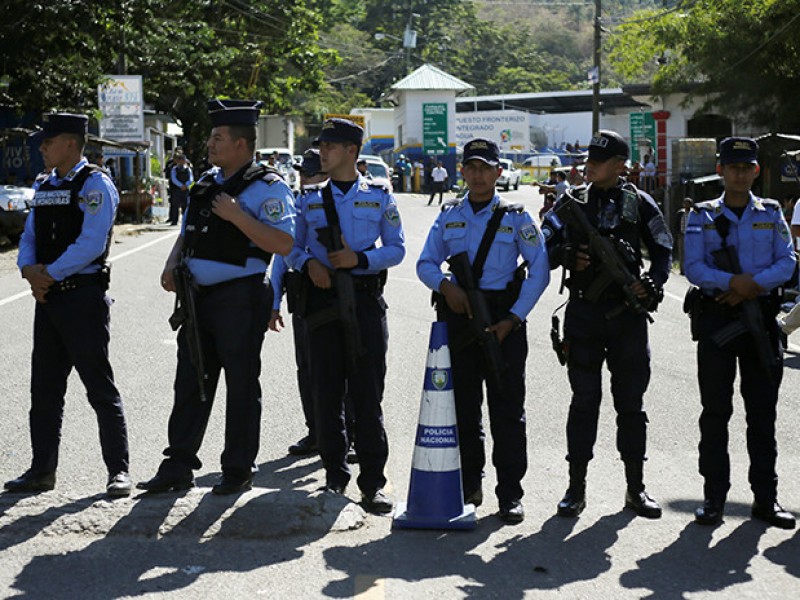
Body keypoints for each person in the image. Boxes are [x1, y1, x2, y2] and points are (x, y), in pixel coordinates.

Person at [137, 99, 295, 495]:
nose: (210, 143)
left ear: (241, 144)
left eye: (218, 137)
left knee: (241, 384)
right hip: (197, 298)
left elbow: (284, 242)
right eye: (211, 136)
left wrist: (238, 216)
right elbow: (187, 231)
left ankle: (238, 467)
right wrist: (172, 263)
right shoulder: (206, 181)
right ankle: (178, 465)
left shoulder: (268, 186)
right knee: (190, 381)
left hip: (240, 298)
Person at [417, 138, 550, 523]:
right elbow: (426, 262)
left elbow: (539, 270)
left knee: (507, 410)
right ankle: (468, 488)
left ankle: (510, 493)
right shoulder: (449, 215)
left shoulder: (517, 217)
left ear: (498, 172)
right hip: (460, 317)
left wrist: (514, 317)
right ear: (462, 172)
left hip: (504, 317)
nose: (478, 175)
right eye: (471, 167)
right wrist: (446, 287)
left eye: (485, 168)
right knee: (463, 409)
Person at [542, 130, 672, 520]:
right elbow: (543, 251)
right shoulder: (569, 204)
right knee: (584, 403)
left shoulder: (640, 203)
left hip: (628, 319)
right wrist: (567, 253)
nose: (590, 164)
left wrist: (653, 283)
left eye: (600, 159)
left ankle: (635, 488)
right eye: (589, 158)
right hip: (583, 315)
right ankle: (575, 489)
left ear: (621, 165)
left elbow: (665, 251)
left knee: (631, 405)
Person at [6, 113, 131, 497]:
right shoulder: (44, 185)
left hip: (81, 297)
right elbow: (29, 236)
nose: (41, 147)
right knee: (44, 390)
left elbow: (92, 243)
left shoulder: (95, 184)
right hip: (48, 298)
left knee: (98, 386)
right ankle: (41, 470)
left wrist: (50, 274)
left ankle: (118, 471)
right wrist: (28, 270)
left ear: (72, 144)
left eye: (49, 141)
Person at [286, 118, 405, 513]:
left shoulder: (380, 195)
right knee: (326, 392)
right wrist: (307, 265)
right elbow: (290, 246)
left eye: (331, 146)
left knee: (368, 394)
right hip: (322, 303)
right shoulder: (308, 198)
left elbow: (397, 249)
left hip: (365, 300)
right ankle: (335, 475)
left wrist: (361, 258)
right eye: (321, 145)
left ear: (351, 152)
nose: (323, 152)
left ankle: (373, 483)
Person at [684, 137, 796, 529]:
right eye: (732, 166)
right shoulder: (700, 215)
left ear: (756, 172)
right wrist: (733, 281)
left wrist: (753, 286)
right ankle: (714, 497)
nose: (739, 173)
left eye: (746, 167)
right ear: (720, 170)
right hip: (718, 319)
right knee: (716, 413)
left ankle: (766, 498)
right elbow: (694, 268)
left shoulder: (770, 212)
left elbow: (788, 261)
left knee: (762, 415)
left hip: (760, 321)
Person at [168, 154, 193, 226]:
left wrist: (187, 185)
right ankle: (174, 221)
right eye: (181, 160)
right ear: (178, 161)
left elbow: (191, 178)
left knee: (186, 206)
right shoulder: (174, 169)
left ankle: (186, 221)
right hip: (177, 189)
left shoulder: (188, 169)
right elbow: (174, 179)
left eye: (184, 160)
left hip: (185, 190)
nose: (183, 161)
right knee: (175, 205)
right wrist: (181, 185)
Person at [673, 197, 694, 275]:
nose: (686, 205)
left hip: (691, 235)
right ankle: (683, 270)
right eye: (685, 203)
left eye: (688, 203)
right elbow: (676, 224)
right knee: (682, 253)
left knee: (691, 253)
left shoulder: (694, 213)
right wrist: (677, 233)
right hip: (682, 235)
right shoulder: (680, 213)